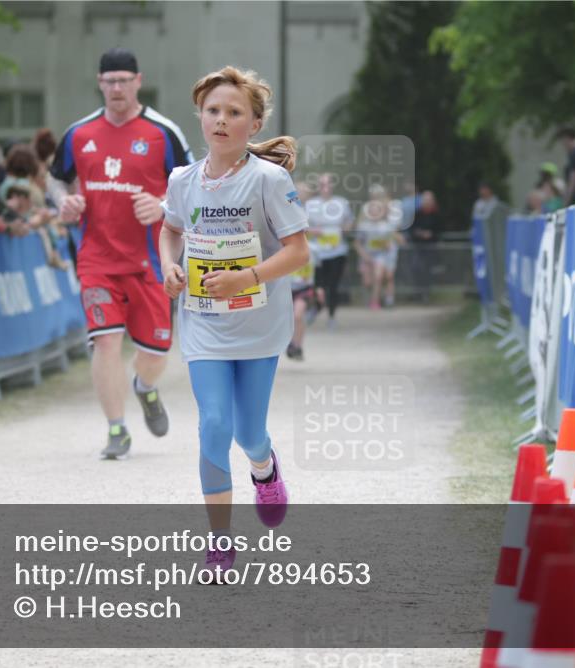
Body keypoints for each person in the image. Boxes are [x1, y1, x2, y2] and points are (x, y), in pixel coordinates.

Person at [159, 65, 309, 581]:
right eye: (213, 110)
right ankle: (219, 543)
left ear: (255, 124)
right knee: (214, 425)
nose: (221, 120)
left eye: (234, 112)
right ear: (200, 117)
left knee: (248, 432)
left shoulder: (269, 179)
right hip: (203, 324)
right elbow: (169, 230)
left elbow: (298, 253)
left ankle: (265, 468)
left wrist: (246, 278)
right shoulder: (182, 179)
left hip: (259, 324)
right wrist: (169, 266)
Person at [52, 47, 193, 459]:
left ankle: (145, 388)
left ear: (137, 81)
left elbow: (192, 185)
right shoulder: (79, 133)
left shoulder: (162, 132)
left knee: (154, 352)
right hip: (96, 259)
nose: (116, 87)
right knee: (106, 342)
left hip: (151, 261)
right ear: (100, 83)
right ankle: (117, 429)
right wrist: (65, 202)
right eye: (109, 80)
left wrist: (163, 204)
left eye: (123, 80)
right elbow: (55, 179)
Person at [305, 173, 353, 327]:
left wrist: (345, 229)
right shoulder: (310, 204)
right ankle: (316, 309)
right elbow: (302, 227)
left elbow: (350, 222)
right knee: (318, 286)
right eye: (322, 184)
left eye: (328, 184)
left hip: (337, 251)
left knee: (333, 285)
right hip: (317, 252)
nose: (325, 188)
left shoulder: (341, 202)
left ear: (332, 186)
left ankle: (331, 316)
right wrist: (314, 231)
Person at [354, 184, 404, 310]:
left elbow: (397, 235)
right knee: (367, 282)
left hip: (382, 254)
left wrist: (390, 242)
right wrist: (364, 255)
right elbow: (358, 241)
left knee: (385, 275)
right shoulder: (365, 220)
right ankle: (375, 296)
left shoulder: (390, 213)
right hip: (367, 253)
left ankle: (381, 300)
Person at [287, 181, 316, 360]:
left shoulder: (314, 248)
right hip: (286, 284)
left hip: (304, 286)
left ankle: (297, 345)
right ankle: (290, 343)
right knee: (286, 319)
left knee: (298, 315)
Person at [408, 190, 440, 303]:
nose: (427, 202)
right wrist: (419, 234)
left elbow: (439, 230)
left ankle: (426, 292)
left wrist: (431, 234)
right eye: (425, 200)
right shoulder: (417, 213)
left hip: (431, 247)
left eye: (429, 200)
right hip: (418, 246)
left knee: (427, 269)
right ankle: (418, 291)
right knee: (415, 268)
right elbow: (411, 230)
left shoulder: (436, 214)